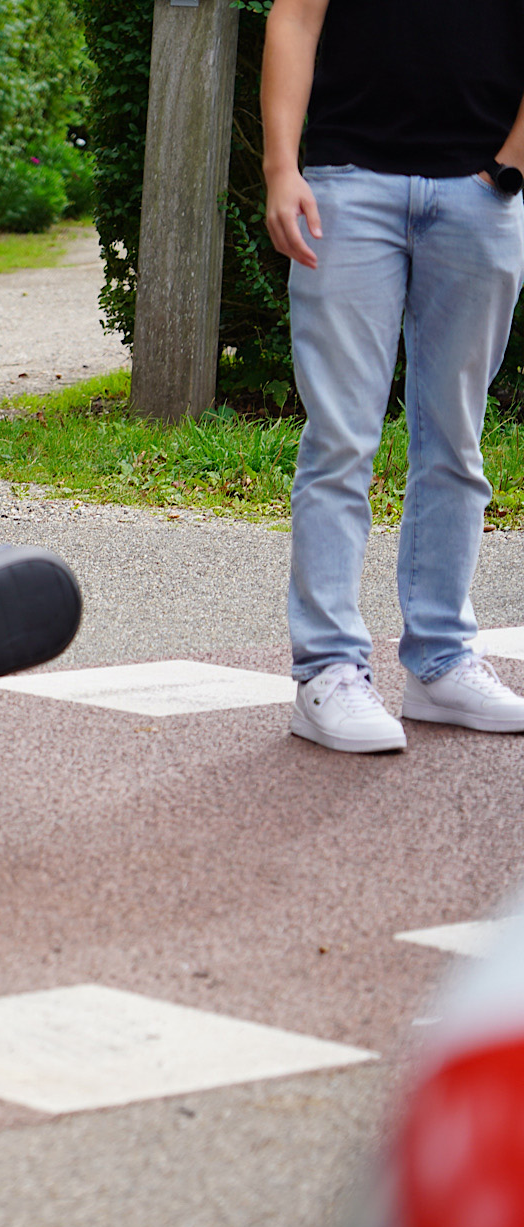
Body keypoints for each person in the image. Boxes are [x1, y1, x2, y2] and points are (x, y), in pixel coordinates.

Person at [263, 0, 524, 752]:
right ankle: (327, 669)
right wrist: (281, 168)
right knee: (341, 440)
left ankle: (441, 662)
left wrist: (512, 162)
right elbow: (295, 17)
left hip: (480, 195)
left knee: (456, 441)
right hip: (347, 187)